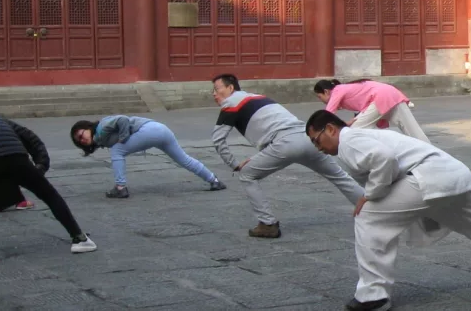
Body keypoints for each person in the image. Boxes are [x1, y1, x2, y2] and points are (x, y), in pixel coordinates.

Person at [305, 111, 471, 311]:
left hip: (427, 179)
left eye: (317, 140)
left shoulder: (350, 138)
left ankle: (373, 295)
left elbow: (383, 159)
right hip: (455, 177)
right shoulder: (364, 136)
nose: (319, 147)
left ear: (331, 129)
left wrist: (371, 195)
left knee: (369, 219)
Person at [210, 74, 366, 238]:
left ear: (230, 88)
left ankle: (267, 223)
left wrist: (234, 164)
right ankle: (372, 210)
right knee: (339, 176)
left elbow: (218, 139)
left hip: (284, 144)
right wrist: (259, 158)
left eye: (217, 89)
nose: (214, 93)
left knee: (247, 174)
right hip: (307, 139)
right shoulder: (258, 98)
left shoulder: (231, 103)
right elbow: (272, 129)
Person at [0, 114, 98, 254]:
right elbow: (32, 139)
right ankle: (80, 238)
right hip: (16, 156)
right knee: (50, 196)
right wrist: (41, 165)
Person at [70, 115, 225, 198]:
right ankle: (214, 180)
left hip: (149, 130)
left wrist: (123, 138)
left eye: (81, 134)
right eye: (79, 141)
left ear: (87, 127)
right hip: (161, 130)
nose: (82, 139)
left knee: (117, 151)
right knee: (183, 159)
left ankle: (120, 187)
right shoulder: (99, 137)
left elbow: (122, 119)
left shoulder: (102, 126)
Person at [314, 79, 428, 142]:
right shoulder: (342, 89)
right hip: (389, 94)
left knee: (355, 130)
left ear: (326, 91)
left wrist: (315, 129)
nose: (321, 100)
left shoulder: (337, 90)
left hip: (381, 96)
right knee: (413, 131)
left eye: (320, 97)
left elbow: (327, 114)